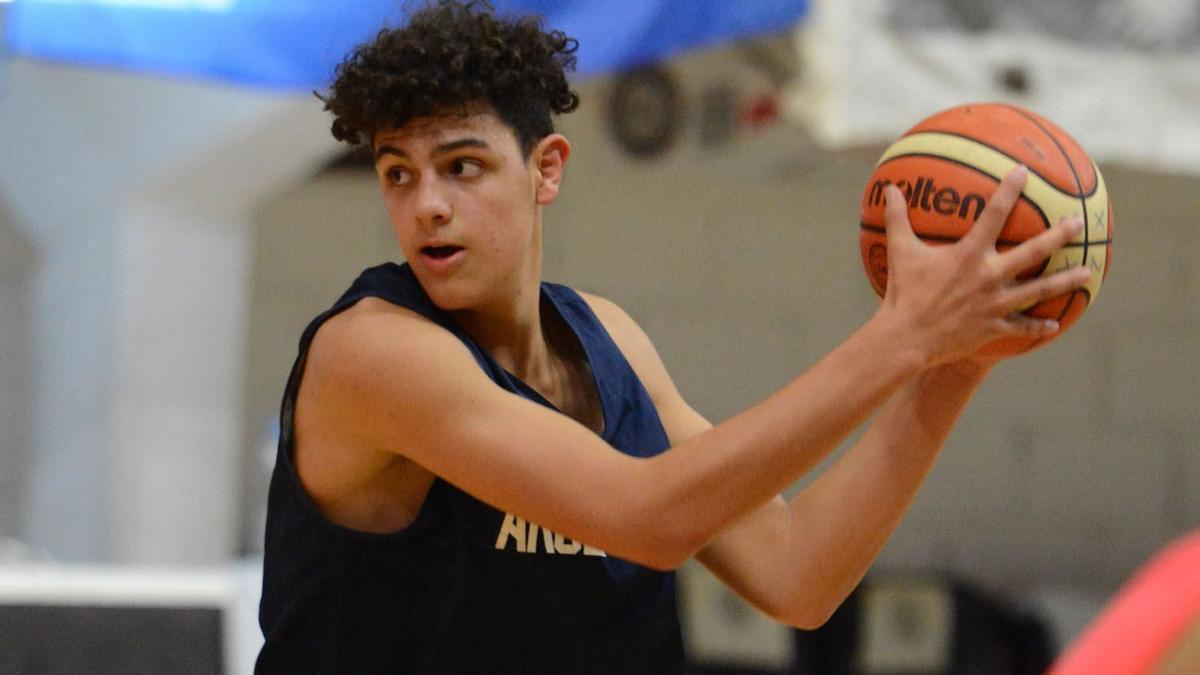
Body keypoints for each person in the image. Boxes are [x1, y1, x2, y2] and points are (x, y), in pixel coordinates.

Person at [254, 1, 1092, 672]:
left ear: (546, 168)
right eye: (399, 172)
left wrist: (961, 355)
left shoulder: (608, 338)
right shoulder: (374, 352)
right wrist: (904, 335)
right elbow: (646, 518)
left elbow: (799, 574)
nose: (425, 203)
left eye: (462, 166)